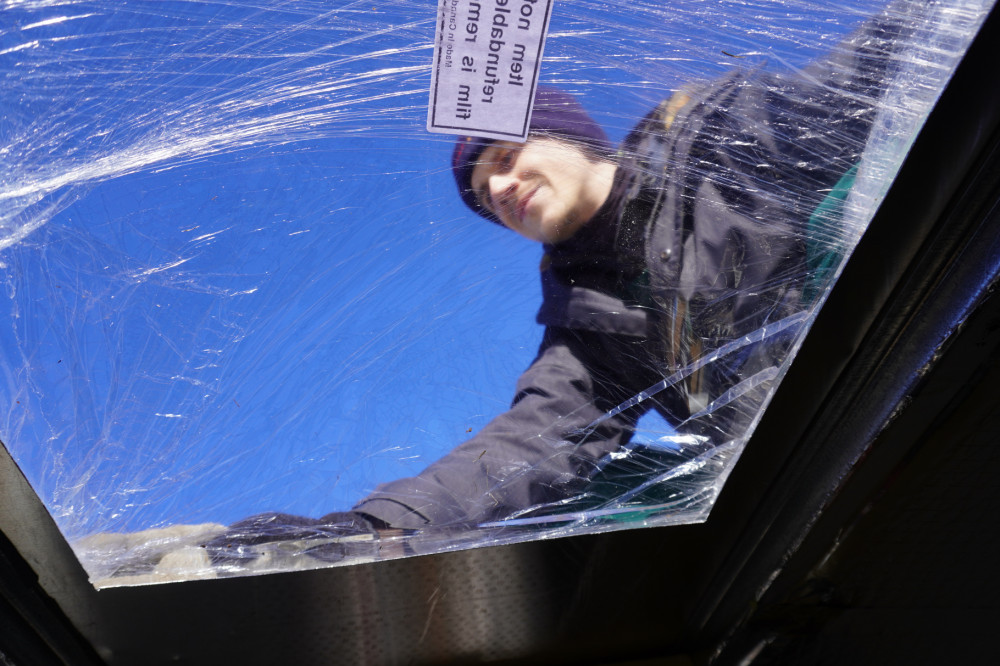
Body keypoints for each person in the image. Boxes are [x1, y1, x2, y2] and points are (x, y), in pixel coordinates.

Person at [207, 0, 917, 562]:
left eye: (510, 156)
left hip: (913, 357)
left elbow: (874, 72)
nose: (504, 189)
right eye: (486, 196)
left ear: (573, 138)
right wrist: (381, 530)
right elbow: (530, 443)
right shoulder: (585, 327)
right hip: (816, 489)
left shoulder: (720, 141)